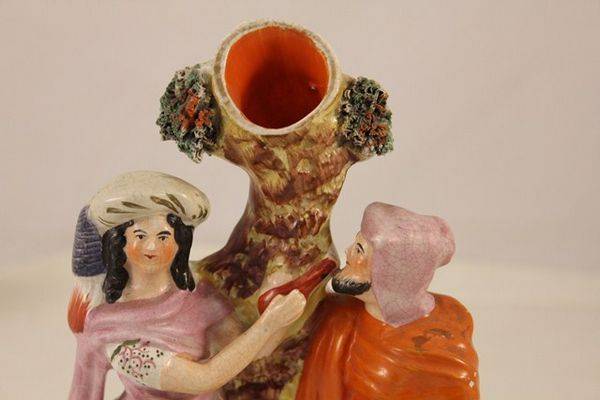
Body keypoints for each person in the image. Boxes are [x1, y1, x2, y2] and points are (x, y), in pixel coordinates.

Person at [68, 171, 305, 400]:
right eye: (140, 236)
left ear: (180, 243)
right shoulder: (108, 327)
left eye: (163, 236)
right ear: (119, 243)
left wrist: (279, 305)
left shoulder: (201, 297)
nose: (152, 247)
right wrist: (267, 325)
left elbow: (250, 353)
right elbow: (203, 379)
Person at [296, 202, 479, 400]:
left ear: (389, 274)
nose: (348, 252)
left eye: (359, 250)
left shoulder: (448, 344)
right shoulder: (337, 317)